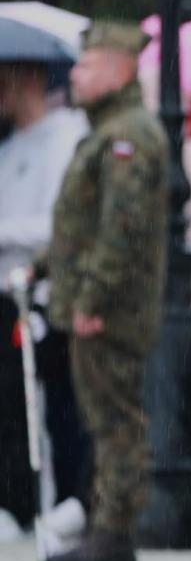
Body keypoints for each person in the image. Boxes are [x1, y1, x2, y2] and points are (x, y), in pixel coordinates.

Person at [42, 21, 167, 561]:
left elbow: (122, 228)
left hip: (111, 310)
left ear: (120, 70)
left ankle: (115, 531)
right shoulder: (110, 129)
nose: (76, 74)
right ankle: (106, 524)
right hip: (94, 302)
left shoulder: (129, 136)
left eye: (88, 65)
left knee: (116, 422)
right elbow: (83, 225)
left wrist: (91, 300)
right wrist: (43, 268)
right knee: (103, 419)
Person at [0, 59, 87, 530]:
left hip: (45, 290)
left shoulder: (67, 136)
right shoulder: (9, 145)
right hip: (4, 290)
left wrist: (6, 231)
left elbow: (60, 223)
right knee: (9, 402)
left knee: (60, 402)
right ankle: (14, 504)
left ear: (28, 78)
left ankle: (72, 500)